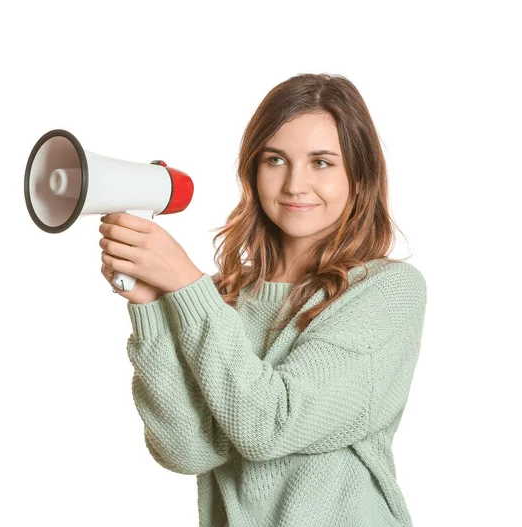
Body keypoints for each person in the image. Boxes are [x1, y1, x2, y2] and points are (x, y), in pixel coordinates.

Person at [100, 73, 427, 527]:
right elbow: (187, 449)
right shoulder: (219, 298)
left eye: (321, 163)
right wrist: (150, 304)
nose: (294, 184)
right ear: (253, 170)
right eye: (276, 160)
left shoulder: (386, 292)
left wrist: (184, 285)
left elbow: (270, 426)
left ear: (360, 173)